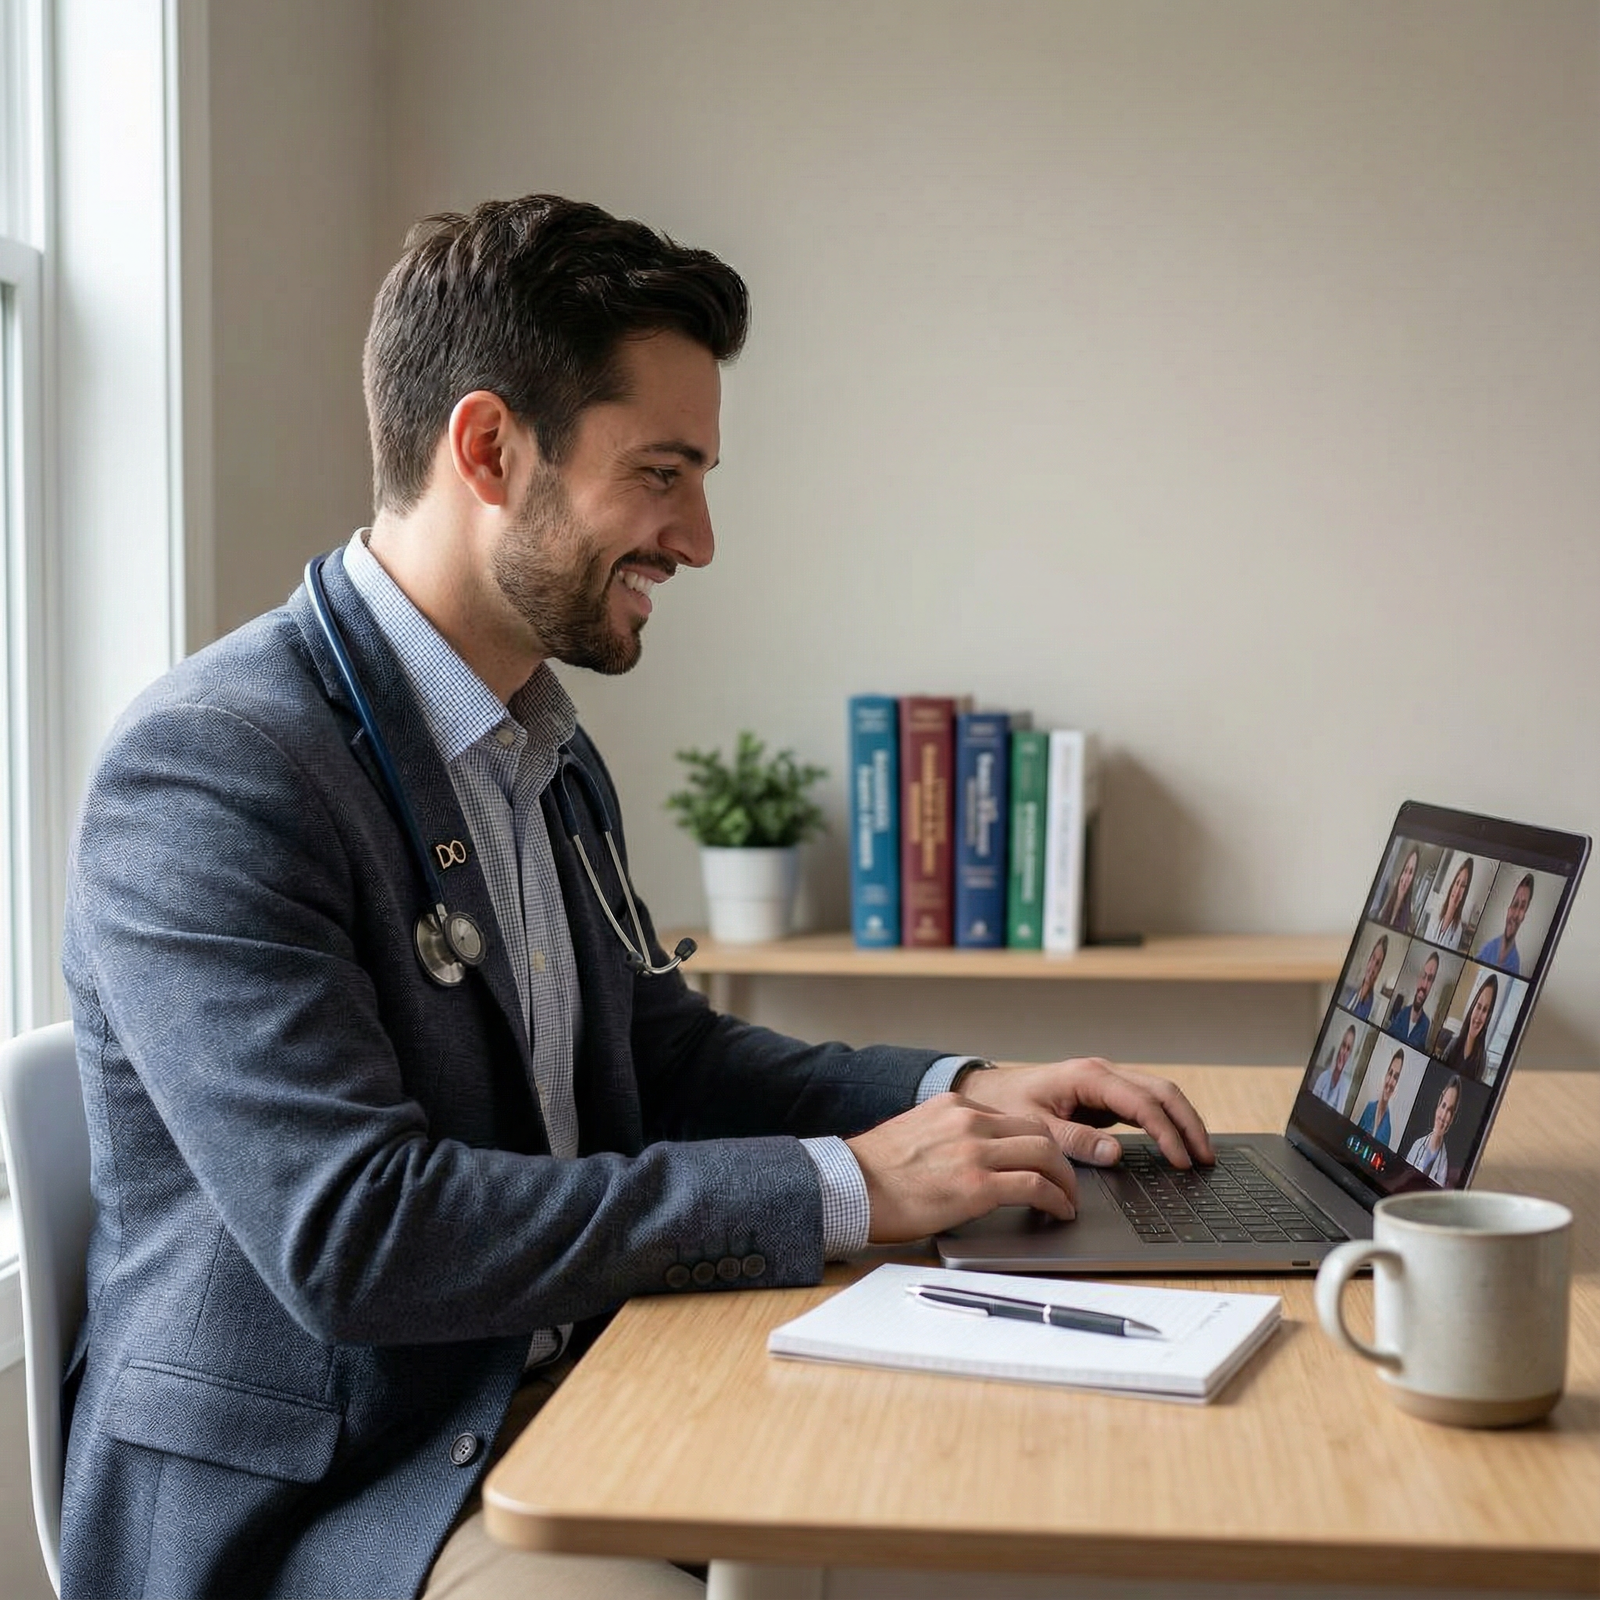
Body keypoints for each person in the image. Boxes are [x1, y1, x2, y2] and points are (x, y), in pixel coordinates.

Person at [58, 196, 1214, 1600]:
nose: (701, 536)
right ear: (489, 448)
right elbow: (357, 1235)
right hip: (351, 1499)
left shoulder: (541, 746)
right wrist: (849, 1186)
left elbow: (666, 1055)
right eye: (661, 473)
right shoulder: (217, 768)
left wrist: (965, 1090)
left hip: (581, 1385)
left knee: (1018, 1497)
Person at [1442, 973, 1500, 1081]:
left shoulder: (1482, 1060)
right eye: (1478, 1007)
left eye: (1485, 1010)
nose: (1478, 1016)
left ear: (1488, 1017)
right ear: (1473, 1007)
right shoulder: (1453, 1044)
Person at [1405, 1075, 1461, 1184]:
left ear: (1452, 1118)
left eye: (1450, 1110)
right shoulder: (1417, 1145)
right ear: (1438, 1106)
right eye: (1443, 1105)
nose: (1443, 1115)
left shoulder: (1445, 1167)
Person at [1476, 873, 1534, 975]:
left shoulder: (1515, 964)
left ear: (1524, 916)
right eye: (1515, 904)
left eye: (1522, 908)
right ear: (1508, 909)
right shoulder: (1488, 948)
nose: (1515, 914)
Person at [1384, 951, 1439, 1052]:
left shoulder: (1426, 1024)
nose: (1424, 984)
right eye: (1424, 976)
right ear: (1418, 978)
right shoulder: (1403, 1012)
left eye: (1430, 979)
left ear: (1432, 985)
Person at [1357, 1050, 1405, 1147]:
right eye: (1390, 1073)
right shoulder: (1369, 1108)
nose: (1391, 1081)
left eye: (1395, 1077)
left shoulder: (1388, 1129)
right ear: (1386, 1075)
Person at [1425, 856, 1473, 950]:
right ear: (1453, 885)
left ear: (1465, 893)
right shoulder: (1436, 914)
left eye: (1463, 886)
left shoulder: (1457, 931)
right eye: (1457, 882)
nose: (1458, 889)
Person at [1340, 933, 1388, 1021]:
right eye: (1373, 958)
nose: (1373, 966)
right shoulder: (1352, 987)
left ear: (1379, 971)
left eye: (1377, 963)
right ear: (1369, 960)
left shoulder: (1368, 1003)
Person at [1311, 1025, 1357, 1112]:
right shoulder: (1323, 1077)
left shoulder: (1345, 1089)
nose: (1344, 1052)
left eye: (1348, 1049)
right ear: (1339, 1046)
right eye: (1343, 1045)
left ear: (1350, 1054)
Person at [1375, 845, 1420, 933]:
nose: (1405, 878)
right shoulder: (1384, 902)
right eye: (1405, 870)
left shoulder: (1409, 920)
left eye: (1411, 872)